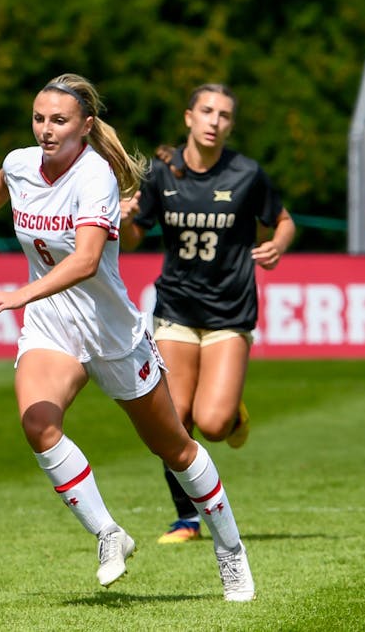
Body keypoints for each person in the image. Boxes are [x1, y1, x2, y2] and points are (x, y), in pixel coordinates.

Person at [0, 73, 255, 601]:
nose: (46, 129)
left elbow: (86, 261)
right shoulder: (21, 163)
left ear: (85, 125)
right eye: (39, 118)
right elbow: (1, 182)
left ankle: (231, 551)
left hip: (111, 334)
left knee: (175, 448)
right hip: (51, 325)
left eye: (59, 120)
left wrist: (20, 294)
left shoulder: (95, 176)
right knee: (38, 425)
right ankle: (109, 533)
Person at [118, 83, 295, 546]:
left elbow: (283, 220)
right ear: (189, 117)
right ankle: (187, 519)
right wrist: (125, 220)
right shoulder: (161, 172)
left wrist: (278, 244)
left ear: (230, 125)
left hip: (230, 311)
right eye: (207, 111)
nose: (215, 121)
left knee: (212, 425)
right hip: (175, 308)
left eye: (225, 115)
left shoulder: (246, 173)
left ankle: (232, 413)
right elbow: (133, 238)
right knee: (173, 421)